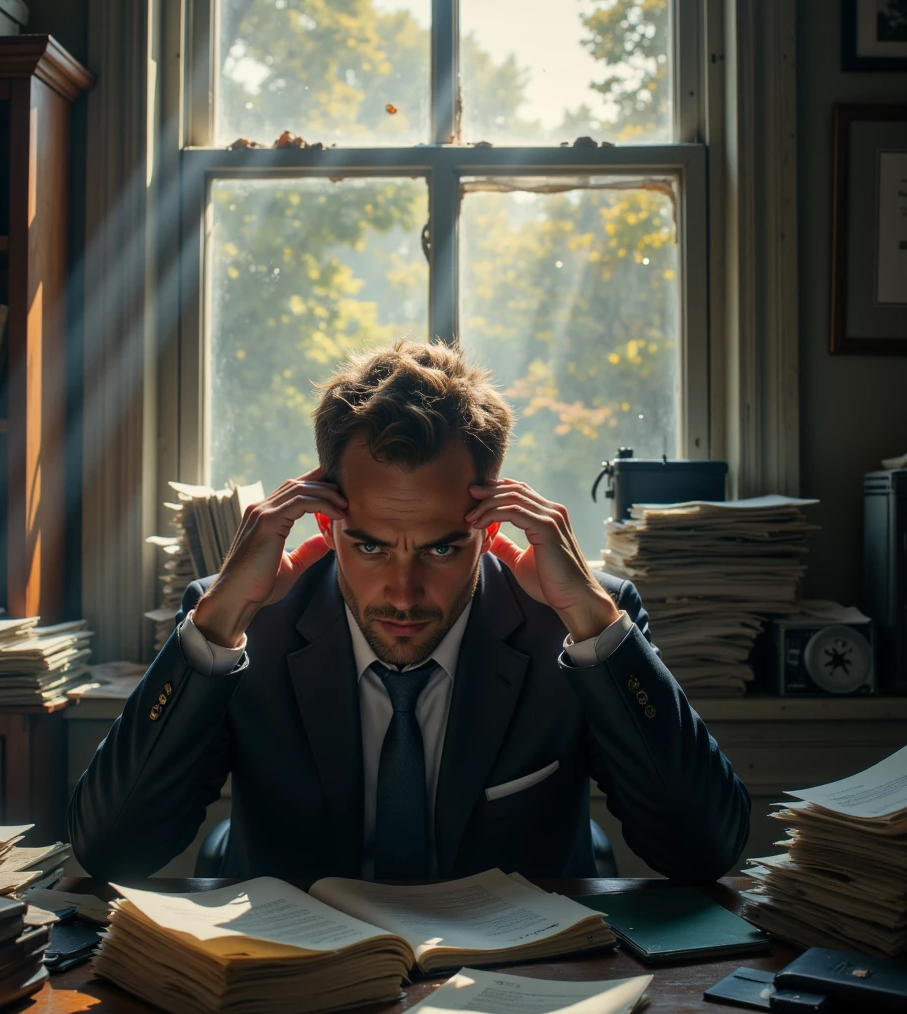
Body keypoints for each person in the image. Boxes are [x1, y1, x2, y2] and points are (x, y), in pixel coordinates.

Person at [69, 340, 749, 883]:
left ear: (489, 529)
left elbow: (704, 850)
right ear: (326, 525)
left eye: (442, 548)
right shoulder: (250, 621)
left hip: (513, 987)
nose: (401, 590)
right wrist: (215, 627)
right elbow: (111, 850)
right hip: (293, 994)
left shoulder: (573, 624)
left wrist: (597, 627)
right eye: (367, 545)